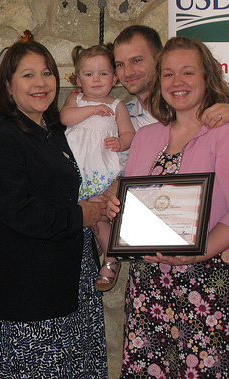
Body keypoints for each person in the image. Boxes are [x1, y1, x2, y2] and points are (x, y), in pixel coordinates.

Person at [0, 38, 108, 378]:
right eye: (28, 75)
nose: (40, 83)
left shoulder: (55, 131)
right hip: (30, 288)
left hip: (69, 277)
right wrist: (82, 215)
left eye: (47, 73)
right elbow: (20, 212)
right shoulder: (2, 138)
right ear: (8, 85)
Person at [107, 36, 229, 378]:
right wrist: (118, 208)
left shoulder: (224, 134)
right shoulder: (146, 137)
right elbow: (132, 203)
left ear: (208, 77)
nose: (178, 83)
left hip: (203, 285)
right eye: (169, 74)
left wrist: (199, 253)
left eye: (188, 72)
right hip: (148, 286)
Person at [60, 44, 135, 292]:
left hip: (102, 170)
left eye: (103, 73)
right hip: (77, 172)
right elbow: (66, 118)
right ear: (78, 79)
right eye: (89, 74)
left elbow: (129, 134)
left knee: (98, 215)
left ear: (114, 78)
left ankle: (111, 259)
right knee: (89, 217)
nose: (97, 79)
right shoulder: (76, 99)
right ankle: (109, 249)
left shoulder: (117, 105)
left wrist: (121, 141)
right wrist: (91, 109)